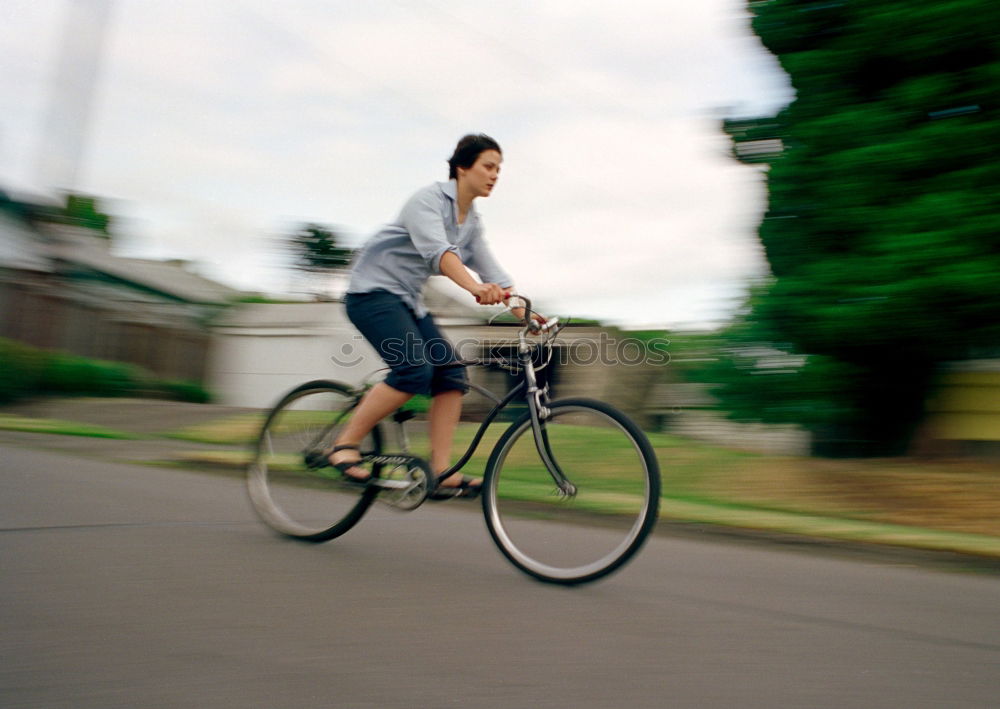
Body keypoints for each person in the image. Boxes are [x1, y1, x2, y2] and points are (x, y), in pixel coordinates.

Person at [330, 133, 540, 498]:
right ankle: (344, 445)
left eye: (499, 170)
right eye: (488, 166)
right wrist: (474, 289)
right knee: (414, 370)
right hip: (371, 295)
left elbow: (493, 271)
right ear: (462, 167)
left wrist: (526, 314)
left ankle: (440, 471)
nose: (495, 175)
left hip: (407, 301)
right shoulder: (426, 201)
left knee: (451, 375)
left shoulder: (470, 222)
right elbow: (440, 254)